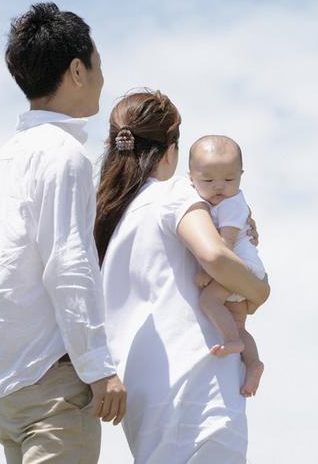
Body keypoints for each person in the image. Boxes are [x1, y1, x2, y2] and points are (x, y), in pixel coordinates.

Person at [0, 2, 126, 464]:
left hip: (7, 382)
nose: (102, 78)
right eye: (98, 65)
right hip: (51, 381)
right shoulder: (64, 154)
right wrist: (98, 367)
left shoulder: (3, 159)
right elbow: (68, 262)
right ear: (77, 70)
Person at [95, 90, 270, 464]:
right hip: (200, 397)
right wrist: (260, 290)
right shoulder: (174, 193)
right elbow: (214, 256)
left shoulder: (112, 223)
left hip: (149, 405)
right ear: (170, 151)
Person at [189, 135, 266, 398]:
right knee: (238, 324)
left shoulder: (232, 204)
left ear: (241, 176)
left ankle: (231, 341)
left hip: (240, 268)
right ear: (191, 177)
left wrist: (207, 273)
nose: (219, 186)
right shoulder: (216, 202)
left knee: (208, 301)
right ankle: (253, 364)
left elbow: (225, 245)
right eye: (208, 181)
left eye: (229, 179)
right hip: (239, 270)